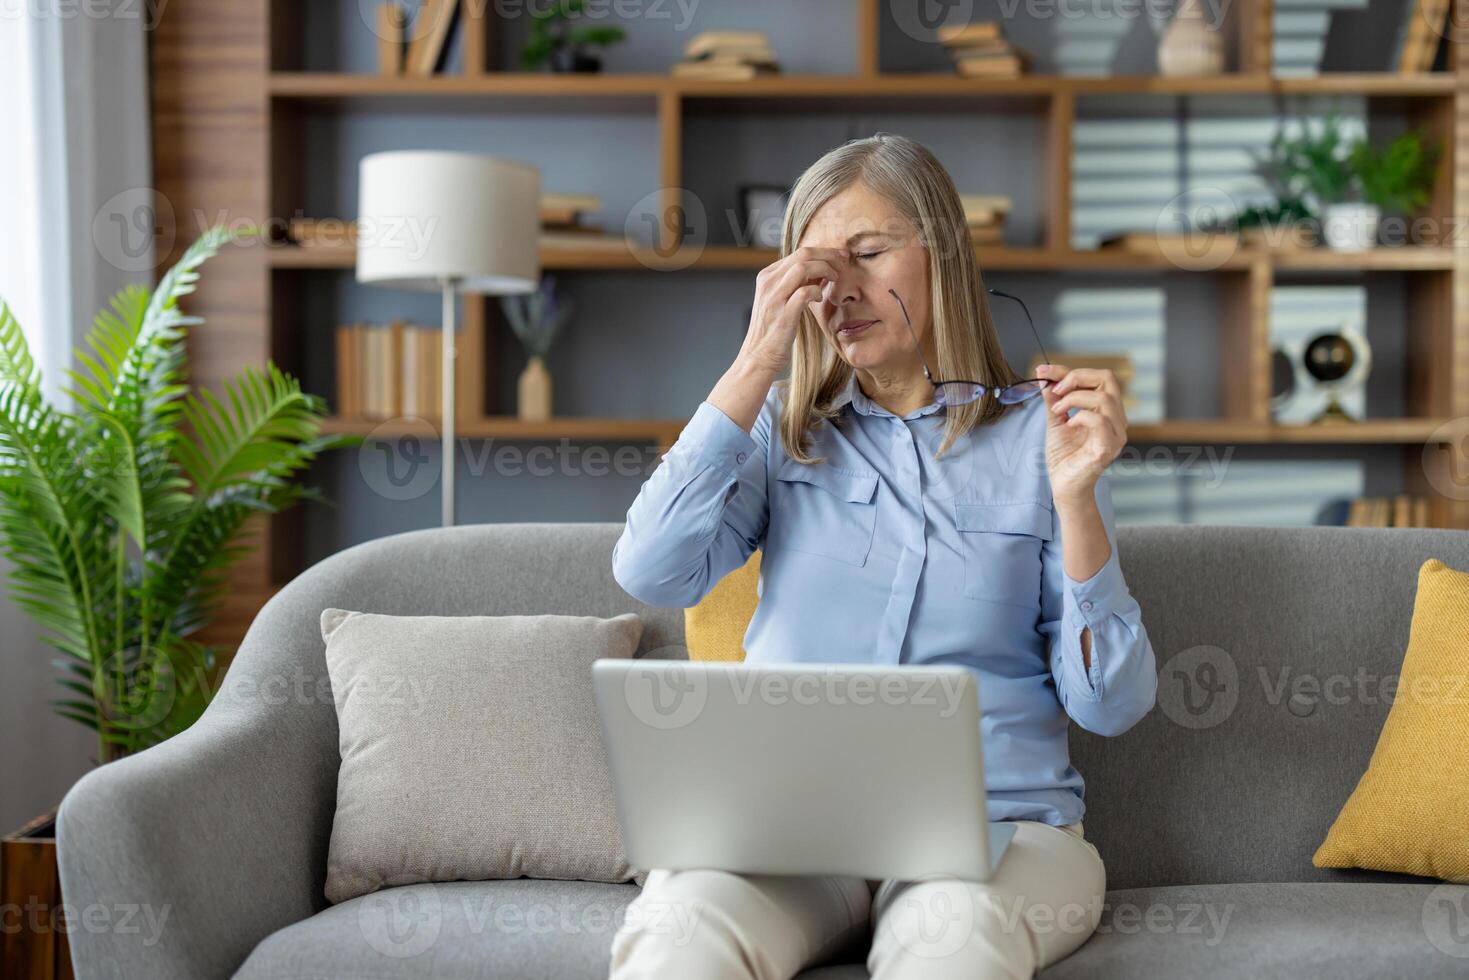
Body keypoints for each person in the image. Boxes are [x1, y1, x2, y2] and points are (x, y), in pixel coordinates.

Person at [607, 132, 1157, 979]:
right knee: (676, 933)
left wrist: (1077, 499)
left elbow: (1111, 704)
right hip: (790, 832)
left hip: (996, 831)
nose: (842, 293)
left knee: (949, 943)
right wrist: (758, 357)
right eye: (818, 271)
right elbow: (650, 570)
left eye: (868, 253)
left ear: (941, 250)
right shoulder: (780, 430)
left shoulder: (1041, 441)